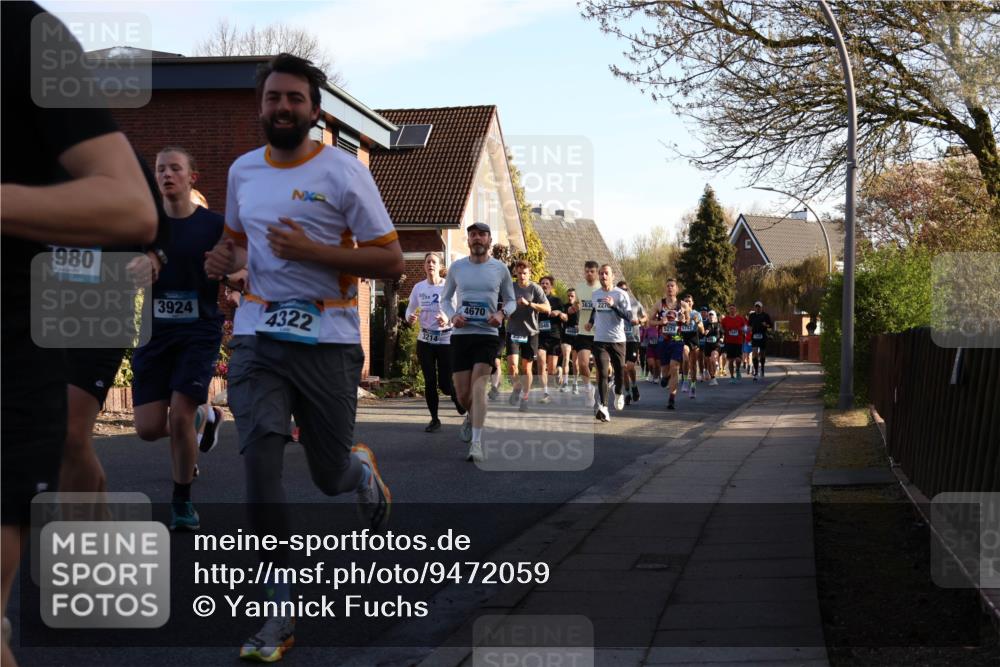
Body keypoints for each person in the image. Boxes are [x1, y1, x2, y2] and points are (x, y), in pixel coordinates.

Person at [203, 53, 403, 662]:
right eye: (273, 98)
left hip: (330, 341)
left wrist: (313, 251)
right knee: (259, 465)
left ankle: (359, 471)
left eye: (295, 98)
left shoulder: (344, 173)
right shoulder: (242, 171)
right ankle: (278, 611)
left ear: (315, 110)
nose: (283, 107)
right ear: (260, 107)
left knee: (326, 474)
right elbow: (236, 245)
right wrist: (224, 263)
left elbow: (390, 260)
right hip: (259, 338)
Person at [1, 4, 158, 665]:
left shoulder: (27, 43)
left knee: (72, 429)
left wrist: (147, 266)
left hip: (85, 314)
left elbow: (145, 234)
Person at [60, 154, 172, 496]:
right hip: (40, 304)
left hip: (102, 307)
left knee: (70, 431)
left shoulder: (114, 152)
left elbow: (159, 226)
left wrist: (155, 257)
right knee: (55, 437)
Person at [131, 147, 226, 532]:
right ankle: (207, 417)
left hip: (199, 330)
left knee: (180, 412)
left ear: (192, 177)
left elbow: (237, 264)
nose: (167, 174)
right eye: (160, 170)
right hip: (155, 332)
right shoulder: (144, 225)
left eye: (175, 168)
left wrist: (234, 274)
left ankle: (182, 502)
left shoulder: (214, 224)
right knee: (149, 427)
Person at [439, 222, 516, 461]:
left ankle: (476, 443)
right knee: (462, 395)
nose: (477, 239)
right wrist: (453, 316)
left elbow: (511, 301)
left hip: (487, 335)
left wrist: (501, 314)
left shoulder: (500, 269)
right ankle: (470, 416)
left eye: (482, 235)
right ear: (468, 240)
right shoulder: (457, 268)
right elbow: (445, 299)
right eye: (473, 235)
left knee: (478, 387)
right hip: (461, 335)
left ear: (489, 240)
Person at [405, 252, 463, 432]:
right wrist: (410, 318)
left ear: (440, 266)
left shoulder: (448, 286)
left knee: (446, 385)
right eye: (428, 262)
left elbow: (457, 309)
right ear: (424, 266)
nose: (431, 264)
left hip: (446, 339)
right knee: (430, 381)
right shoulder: (418, 288)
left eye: (434, 262)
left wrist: (447, 318)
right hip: (425, 339)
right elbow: (409, 310)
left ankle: (459, 401)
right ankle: (434, 419)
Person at [584, 265, 632, 421]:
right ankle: (603, 407)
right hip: (600, 339)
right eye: (601, 274)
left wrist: (614, 305)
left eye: (606, 273)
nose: (603, 276)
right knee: (603, 373)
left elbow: (628, 316)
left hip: (618, 340)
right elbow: (594, 310)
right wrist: (591, 323)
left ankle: (618, 392)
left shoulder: (621, 294)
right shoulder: (595, 294)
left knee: (619, 371)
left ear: (613, 276)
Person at [504, 261, 550, 411]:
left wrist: (530, 304)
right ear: (515, 273)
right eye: (519, 273)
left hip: (530, 333)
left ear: (529, 273)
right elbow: (503, 304)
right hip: (513, 330)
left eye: (525, 273)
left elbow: (547, 308)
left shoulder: (535, 288)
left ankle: (525, 397)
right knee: (512, 366)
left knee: (527, 368)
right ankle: (517, 387)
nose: (522, 276)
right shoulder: (510, 287)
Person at [569, 261, 601, 405]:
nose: (589, 274)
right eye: (587, 271)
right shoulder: (580, 287)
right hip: (583, 332)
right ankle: (589, 388)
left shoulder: (602, 288)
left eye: (592, 271)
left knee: (602, 367)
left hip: (600, 332)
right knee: (582, 363)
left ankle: (603, 391)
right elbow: (577, 304)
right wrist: (574, 308)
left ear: (597, 273)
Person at [536, 275, 566, 403]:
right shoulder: (536, 300)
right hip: (540, 336)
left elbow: (565, 317)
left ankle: (558, 370)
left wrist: (559, 313)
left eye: (547, 283)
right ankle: (545, 393)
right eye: (542, 283)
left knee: (551, 369)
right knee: (541, 364)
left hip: (554, 336)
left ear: (551, 286)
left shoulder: (557, 301)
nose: (544, 285)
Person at [617, 280, 646, 405]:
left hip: (633, 339)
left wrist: (639, 321)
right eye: (620, 290)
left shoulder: (635, 303)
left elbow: (646, 317)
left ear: (627, 291)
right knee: (623, 369)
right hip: (619, 339)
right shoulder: (614, 305)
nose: (623, 292)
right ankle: (628, 392)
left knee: (630, 366)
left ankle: (634, 385)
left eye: (625, 289)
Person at [658, 309, 685, 410]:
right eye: (669, 317)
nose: (670, 318)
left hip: (677, 342)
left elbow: (687, 319)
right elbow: (649, 321)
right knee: (665, 371)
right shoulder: (660, 307)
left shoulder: (681, 309)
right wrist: (660, 322)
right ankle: (666, 376)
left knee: (674, 368)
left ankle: (671, 399)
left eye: (672, 317)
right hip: (663, 343)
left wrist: (684, 319)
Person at [679, 295, 704, 398]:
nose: (688, 303)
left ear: (692, 303)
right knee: (685, 357)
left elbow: (702, 331)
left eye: (689, 301)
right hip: (684, 339)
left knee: (693, 365)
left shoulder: (696, 314)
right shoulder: (680, 313)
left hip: (694, 339)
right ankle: (685, 380)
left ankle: (693, 385)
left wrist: (697, 322)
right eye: (686, 301)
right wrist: (680, 321)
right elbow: (675, 326)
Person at [720, 304, 748, 383]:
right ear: (729, 310)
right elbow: (721, 327)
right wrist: (723, 331)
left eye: (733, 308)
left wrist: (744, 329)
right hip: (729, 342)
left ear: (736, 310)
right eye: (730, 309)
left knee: (738, 359)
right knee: (731, 360)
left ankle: (738, 369)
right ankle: (732, 377)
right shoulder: (725, 319)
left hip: (738, 342)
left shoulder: (740, 319)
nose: (732, 310)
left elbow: (745, 328)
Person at [748, 300, 774, 381]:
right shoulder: (752, 315)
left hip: (763, 336)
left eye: (759, 307)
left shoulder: (765, 315)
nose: (757, 308)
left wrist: (766, 325)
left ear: (761, 308)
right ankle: (756, 371)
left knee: (762, 354)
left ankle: (762, 367)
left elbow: (771, 325)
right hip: (754, 336)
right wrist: (749, 329)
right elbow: (749, 325)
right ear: (754, 308)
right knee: (754, 353)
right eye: (756, 307)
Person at [561, 289, 580, 393]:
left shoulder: (581, 308)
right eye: (568, 296)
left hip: (577, 337)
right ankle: (565, 382)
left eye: (572, 296)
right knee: (566, 357)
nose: (570, 298)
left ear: (576, 297)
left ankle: (575, 383)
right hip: (566, 335)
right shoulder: (564, 307)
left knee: (575, 362)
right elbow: (561, 315)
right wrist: (562, 316)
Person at [702, 310, 723, 386]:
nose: (711, 317)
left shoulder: (719, 325)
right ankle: (713, 377)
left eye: (712, 315)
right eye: (709, 316)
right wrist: (704, 333)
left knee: (712, 358)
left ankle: (715, 367)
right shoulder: (705, 324)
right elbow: (701, 334)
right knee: (709, 362)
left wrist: (721, 339)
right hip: (707, 346)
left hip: (716, 345)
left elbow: (722, 334)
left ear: (715, 317)